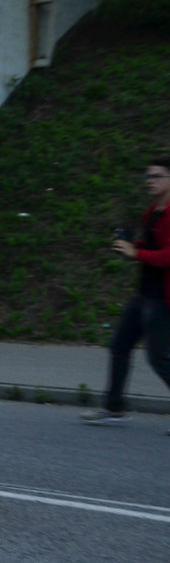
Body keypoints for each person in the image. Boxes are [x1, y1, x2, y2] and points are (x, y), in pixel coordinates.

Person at [85, 158, 170, 428]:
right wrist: (130, 244)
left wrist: (137, 252)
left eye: (156, 176)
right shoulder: (152, 213)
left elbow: (168, 257)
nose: (150, 181)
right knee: (120, 346)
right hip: (143, 293)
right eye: (148, 177)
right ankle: (113, 407)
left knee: (159, 357)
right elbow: (148, 247)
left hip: (163, 298)